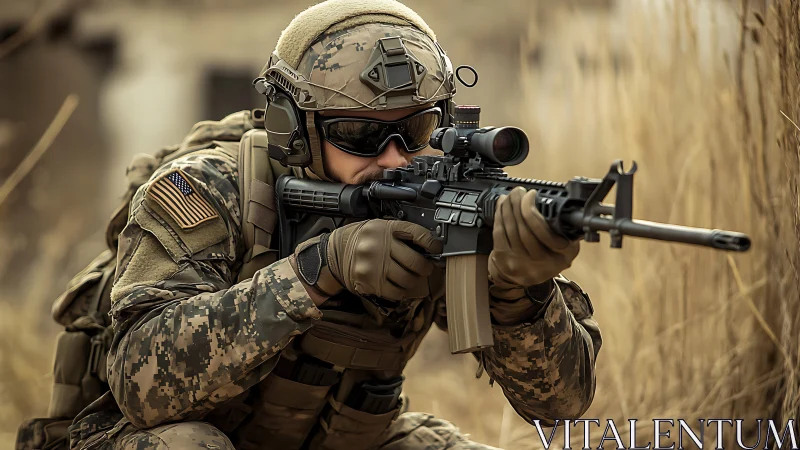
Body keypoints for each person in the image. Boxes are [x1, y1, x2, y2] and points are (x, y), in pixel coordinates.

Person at [68, 1, 602, 448]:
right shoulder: (210, 188)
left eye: (417, 128)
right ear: (295, 130)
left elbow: (560, 404)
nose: (394, 157)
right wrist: (318, 270)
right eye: (358, 135)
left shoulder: (445, 202)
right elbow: (139, 384)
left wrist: (520, 296)